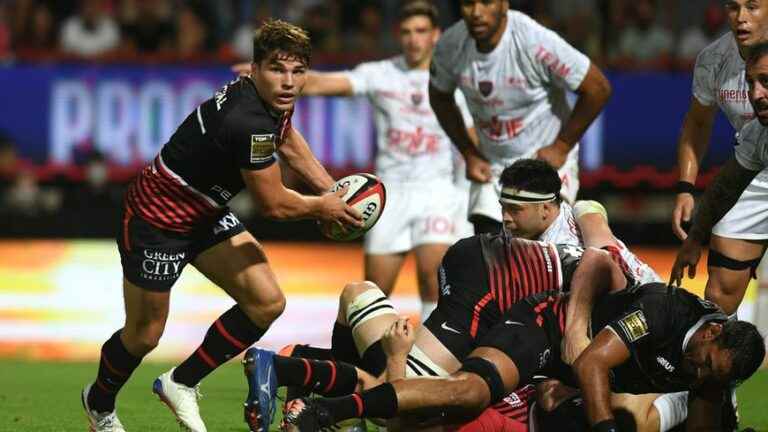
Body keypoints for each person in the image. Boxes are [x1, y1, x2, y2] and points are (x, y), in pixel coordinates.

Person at [80, 19, 362, 432]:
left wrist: (337, 193)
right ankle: (99, 402)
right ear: (255, 67)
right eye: (277, 70)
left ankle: (180, 382)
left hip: (206, 212)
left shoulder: (271, 100)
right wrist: (325, 207)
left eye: (297, 71)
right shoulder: (247, 119)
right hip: (158, 219)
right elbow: (274, 204)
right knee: (144, 335)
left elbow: (288, 140)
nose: (289, 82)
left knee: (266, 301)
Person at [280, 282, 765, 432]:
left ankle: (305, 370)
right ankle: (327, 407)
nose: (696, 375)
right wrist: (602, 427)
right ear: (713, 332)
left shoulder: (717, 369)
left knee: (431, 414)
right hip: (547, 330)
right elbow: (593, 362)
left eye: (710, 378)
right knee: (466, 392)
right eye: (703, 364)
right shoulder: (664, 310)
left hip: (550, 389)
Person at [297, 1, 476, 320]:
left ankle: (427, 360)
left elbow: (472, 136)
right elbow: (325, 83)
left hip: (438, 191)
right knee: (374, 290)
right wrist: (275, 77)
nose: (413, 39)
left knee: (432, 281)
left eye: (421, 31)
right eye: (406, 32)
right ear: (398, 35)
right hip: (388, 194)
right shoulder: (381, 73)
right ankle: (363, 361)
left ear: (436, 35)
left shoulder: (454, 79)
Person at [428, 0, 611, 234]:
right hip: (492, 166)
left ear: (504, 4)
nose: (476, 12)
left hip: (543, 164)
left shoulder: (534, 40)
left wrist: (561, 146)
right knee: (491, 257)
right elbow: (438, 95)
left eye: (486, 2)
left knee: (542, 256)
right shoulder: (450, 45)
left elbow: (598, 88)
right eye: (467, 3)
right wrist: (468, 152)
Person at [671, 0, 768, 317]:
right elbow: (698, 125)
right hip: (754, 169)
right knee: (718, 292)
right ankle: (721, 358)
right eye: (733, 7)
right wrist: (686, 189)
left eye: (752, 7)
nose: (741, 18)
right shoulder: (714, 60)